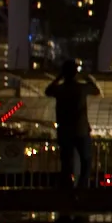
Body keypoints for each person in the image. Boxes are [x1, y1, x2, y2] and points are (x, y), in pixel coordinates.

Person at [44, 59, 101, 189]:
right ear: (75, 73)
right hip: (81, 130)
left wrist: (58, 77)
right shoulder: (81, 88)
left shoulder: (60, 89)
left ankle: (67, 187)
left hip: (65, 131)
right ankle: (82, 186)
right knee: (86, 160)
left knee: (66, 161)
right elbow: (96, 90)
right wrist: (87, 77)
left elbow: (47, 91)